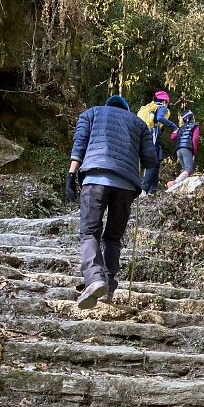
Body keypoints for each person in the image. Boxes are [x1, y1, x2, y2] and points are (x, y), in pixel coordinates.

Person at [66, 94, 157, 309]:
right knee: (113, 238)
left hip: (95, 178)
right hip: (126, 185)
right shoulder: (139, 124)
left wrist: (71, 175)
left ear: (108, 106)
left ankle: (95, 278)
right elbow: (151, 161)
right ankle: (108, 288)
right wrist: (144, 186)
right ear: (126, 110)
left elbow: (79, 145)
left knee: (89, 232)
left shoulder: (91, 113)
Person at [141, 90, 177, 195]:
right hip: (151, 135)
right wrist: (174, 126)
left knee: (156, 162)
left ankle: (153, 189)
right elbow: (159, 118)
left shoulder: (149, 107)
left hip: (143, 135)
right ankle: (144, 189)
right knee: (153, 162)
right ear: (165, 101)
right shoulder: (162, 107)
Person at [168, 110, 199, 188]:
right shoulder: (195, 126)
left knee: (186, 170)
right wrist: (194, 152)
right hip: (186, 149)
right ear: (192, 117)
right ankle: (174, 183)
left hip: (178, 150)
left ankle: (183, 188)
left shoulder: (180, 128)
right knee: (189, 170)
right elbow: (194, 140)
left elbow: (172, 137)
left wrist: (175, 131)